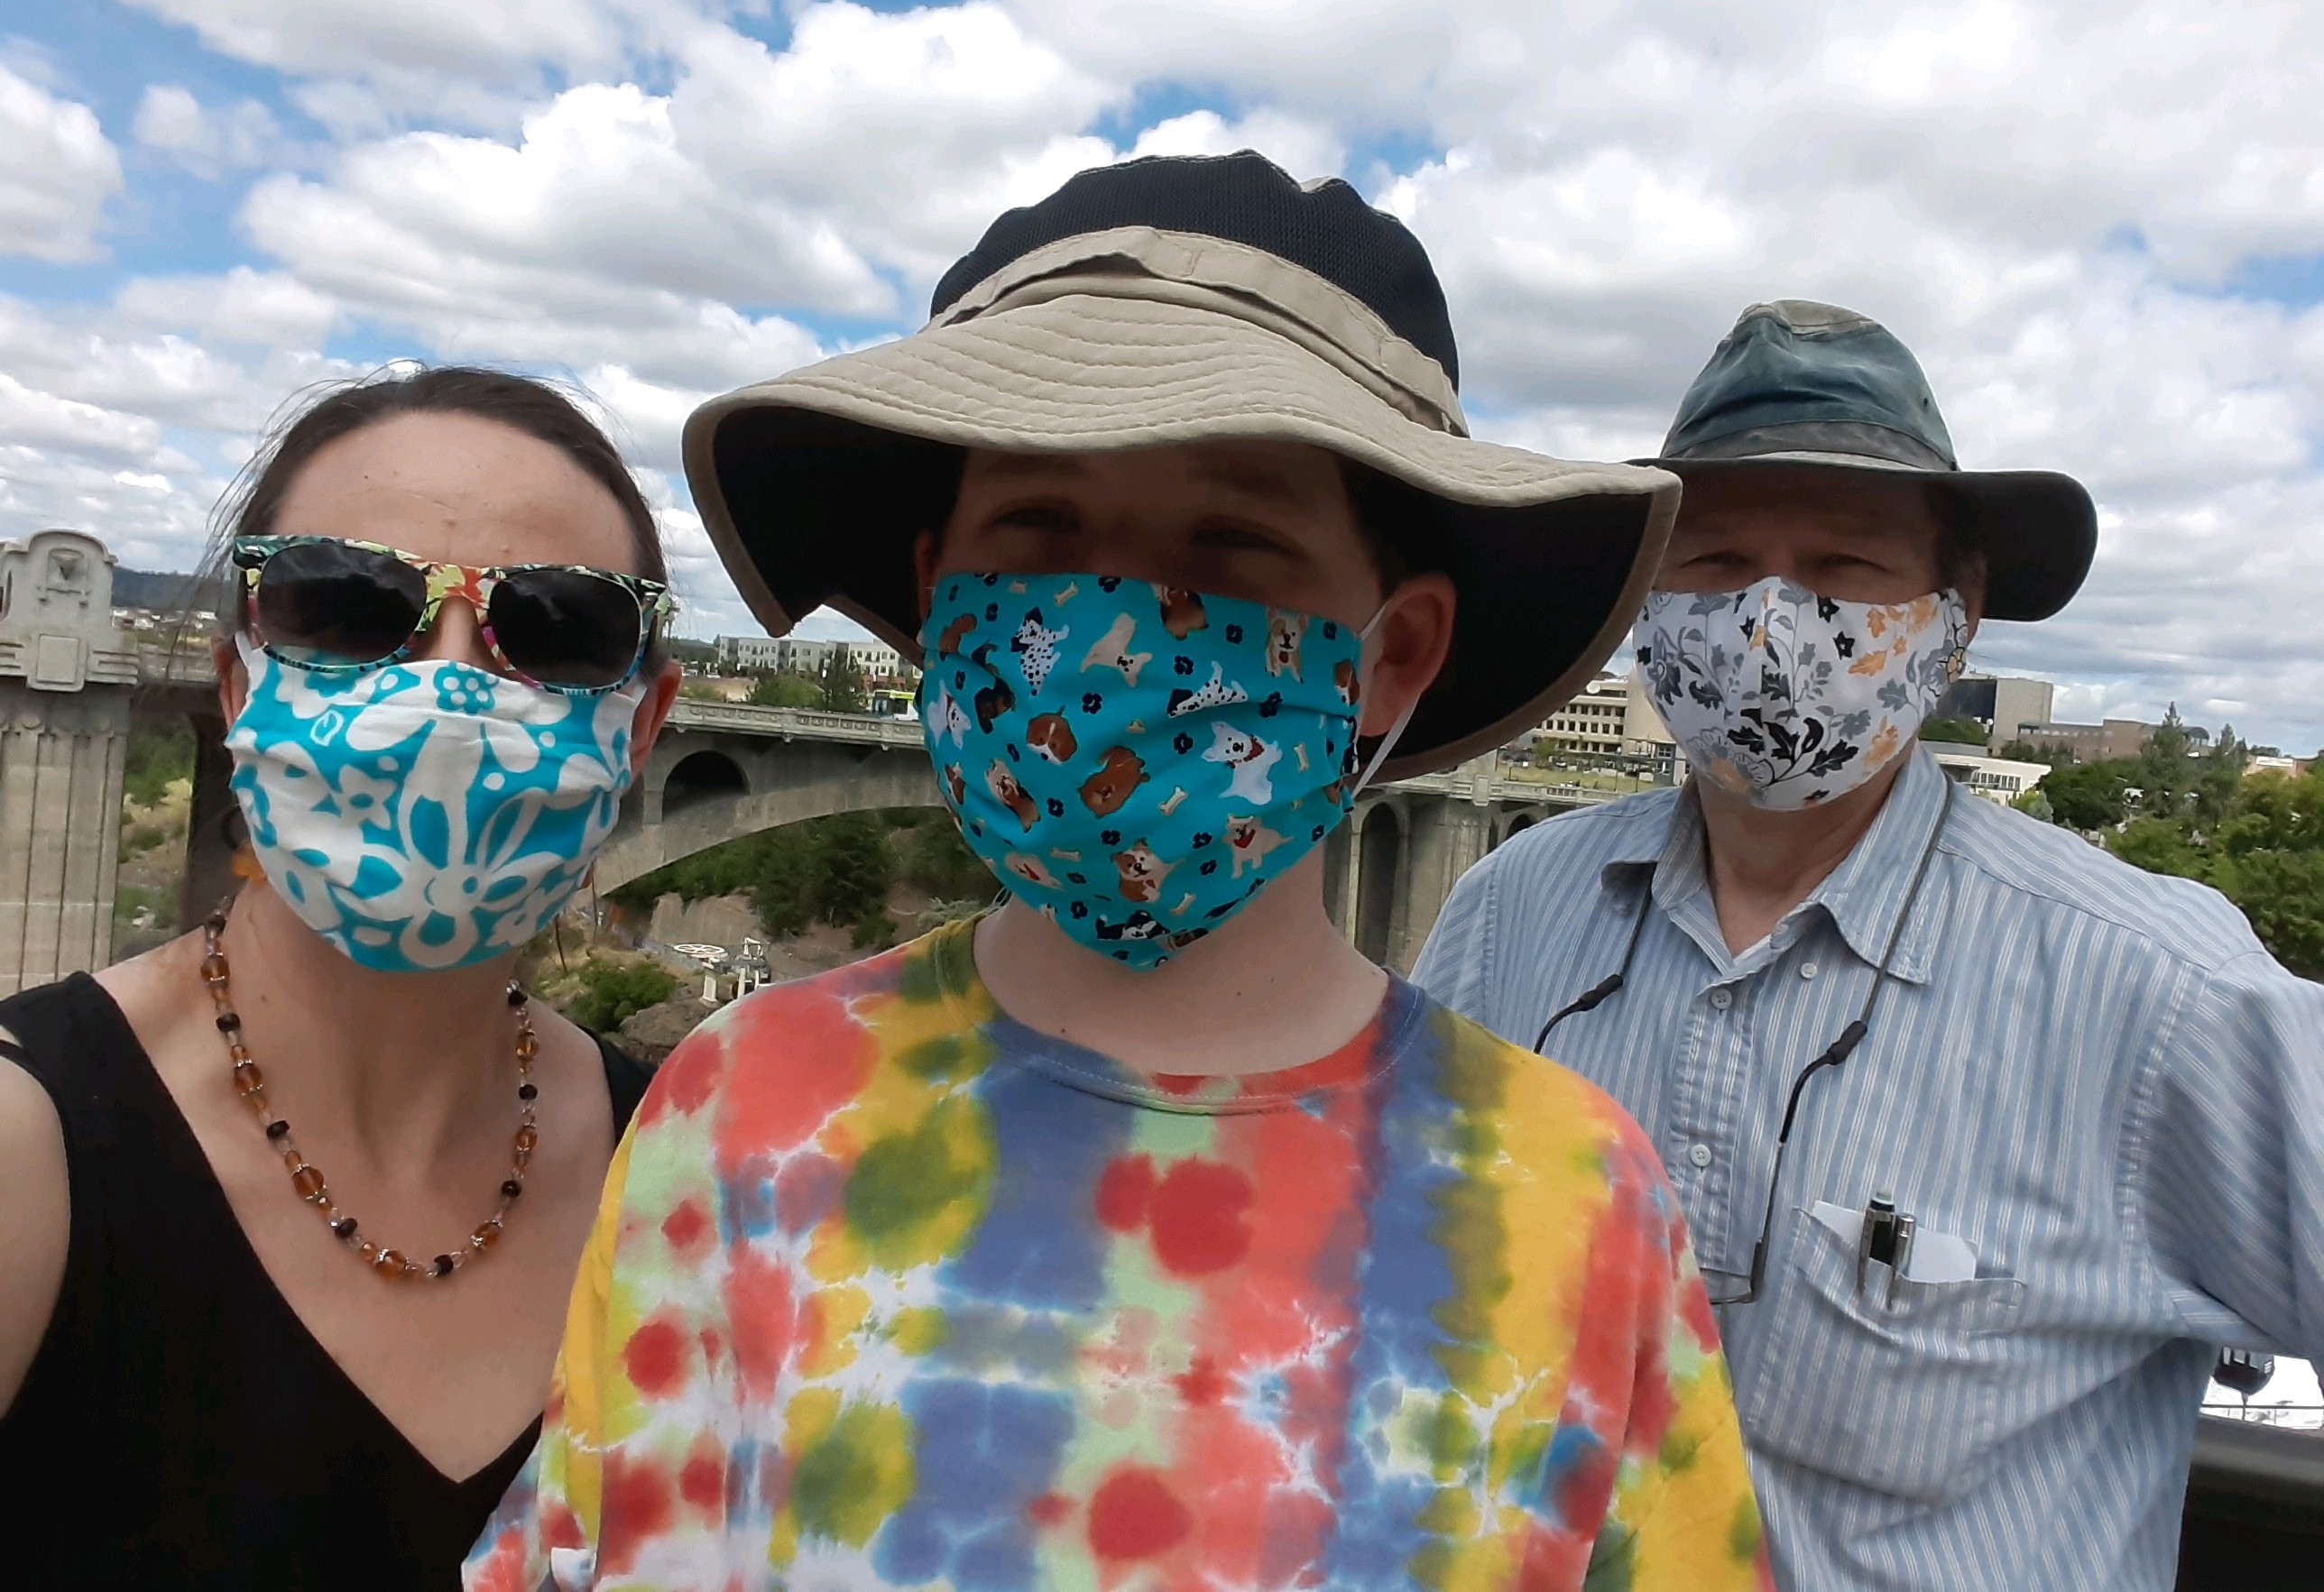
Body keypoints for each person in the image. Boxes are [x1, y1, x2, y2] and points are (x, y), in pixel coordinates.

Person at [466, 152, 1772, 1591]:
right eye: (1039, 532)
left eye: (1232, 544)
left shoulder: (1582, 1204)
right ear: (940, 594)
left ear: (1393, 653)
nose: (1111, 623)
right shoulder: (740, 1112)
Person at [1413, 298, 2324, 1589]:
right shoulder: (1506, 919)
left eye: (1845, 570)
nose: (1773, 624)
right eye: (1717, 566)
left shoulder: (2162, 996)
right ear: (1647, 604)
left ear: (1957, 615)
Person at [0, 367, 685, 1587]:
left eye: (562, 627)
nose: (453, 689)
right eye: (346, 606)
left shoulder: (690, 1176)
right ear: (235, 685)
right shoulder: (25, 1153)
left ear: (640, 727)